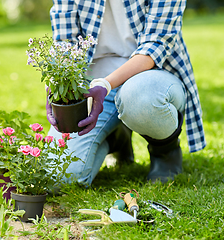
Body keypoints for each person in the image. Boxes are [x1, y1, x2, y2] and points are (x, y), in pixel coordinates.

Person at [46, 0, 206, 186]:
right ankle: (116, 138)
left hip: (150, 76)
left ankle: (164, 151)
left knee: (142, 97)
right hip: (91, 85)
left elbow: (155, 44)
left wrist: (105, 84)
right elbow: (65, 42)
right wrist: (58, 84)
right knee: (59, 179)